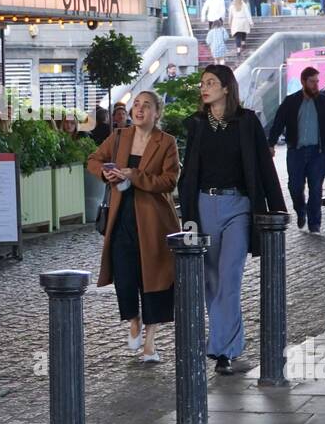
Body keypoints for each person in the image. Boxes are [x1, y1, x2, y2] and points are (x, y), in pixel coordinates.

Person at [179, 64, 286, 375]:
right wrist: (187, 215)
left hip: (238, 205)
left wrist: (276, 207)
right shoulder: (197, 124)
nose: (204, 87)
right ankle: (231, 346)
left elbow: (263, 166)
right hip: (203, 204)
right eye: (203, 83)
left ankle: (220, 349)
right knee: (211, 280)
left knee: (230, 275)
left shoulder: (246, 121)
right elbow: (189, 173)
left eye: (211, 82)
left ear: (227, 88)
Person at [87, 90, 181, 363]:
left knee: (154, 281)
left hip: (154, 222)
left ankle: (150, 344)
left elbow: (169, 181)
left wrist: (134, 175)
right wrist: (105, 173)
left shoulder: (167, 142)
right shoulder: (119, 137)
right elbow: (93, 160)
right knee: (125, 278)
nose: (139, 110)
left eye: (146, 106)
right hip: (121, 218)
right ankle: (133, 320)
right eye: (136, 105)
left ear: (157, 113)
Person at [267, 66, 325, 234]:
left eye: (317, 81)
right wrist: (270, 144)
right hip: (296, 151)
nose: (316, 85)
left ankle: (314, 223)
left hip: (318, 152)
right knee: (295, 187)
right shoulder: (291, 101)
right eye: (312, 81)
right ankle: (301, 210)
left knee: (316, 189)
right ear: (303, 82)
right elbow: (278, 123)